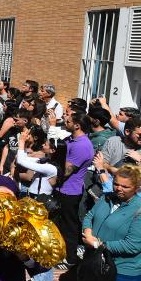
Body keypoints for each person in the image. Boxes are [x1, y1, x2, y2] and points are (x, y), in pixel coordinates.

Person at [82, 165, 141, 281]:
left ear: (136, 187)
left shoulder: (138, 209)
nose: (118, 188)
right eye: (116, 183)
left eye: (125, 186)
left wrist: (97, 244)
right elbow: (89, 216)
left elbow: (132, 245)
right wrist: (88, 232)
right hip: (100, 264)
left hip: (123, 269)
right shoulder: (106, 197)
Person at [16, 131, 67, 281]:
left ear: (52, 150)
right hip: (34, 203)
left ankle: (44, 277)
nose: (43, 145)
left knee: (42, 239)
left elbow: (21, 161)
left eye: (46, 144)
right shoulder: (46, 162)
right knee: (32, 236)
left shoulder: (51, 168)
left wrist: (22, 141)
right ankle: (32, 264)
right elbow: (24, 159)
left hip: (40, 205)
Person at [56, 111, 94, 265]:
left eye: (69, 120)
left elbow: (66, 171)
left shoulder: (83, 146)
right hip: (62, 189)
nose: (65, 121)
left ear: (77, 125)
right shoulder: (71, 140)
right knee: (60, 224)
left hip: (70, 191)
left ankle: (70, 258)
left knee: (68, 226)